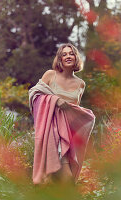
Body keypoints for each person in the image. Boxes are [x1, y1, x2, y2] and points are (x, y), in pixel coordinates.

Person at [29, 43, 95, 185]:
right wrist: (55, 100)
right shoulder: (50, 75)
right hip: (51, 132)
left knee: (57, 181)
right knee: (65, 179)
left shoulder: (80, 84)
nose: (68, 56)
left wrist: (88, 118)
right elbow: (34, 95)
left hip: (68, 134)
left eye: (71, 53)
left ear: (76, 57)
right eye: (64, 54)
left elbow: (74, 111)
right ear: (59, 59)